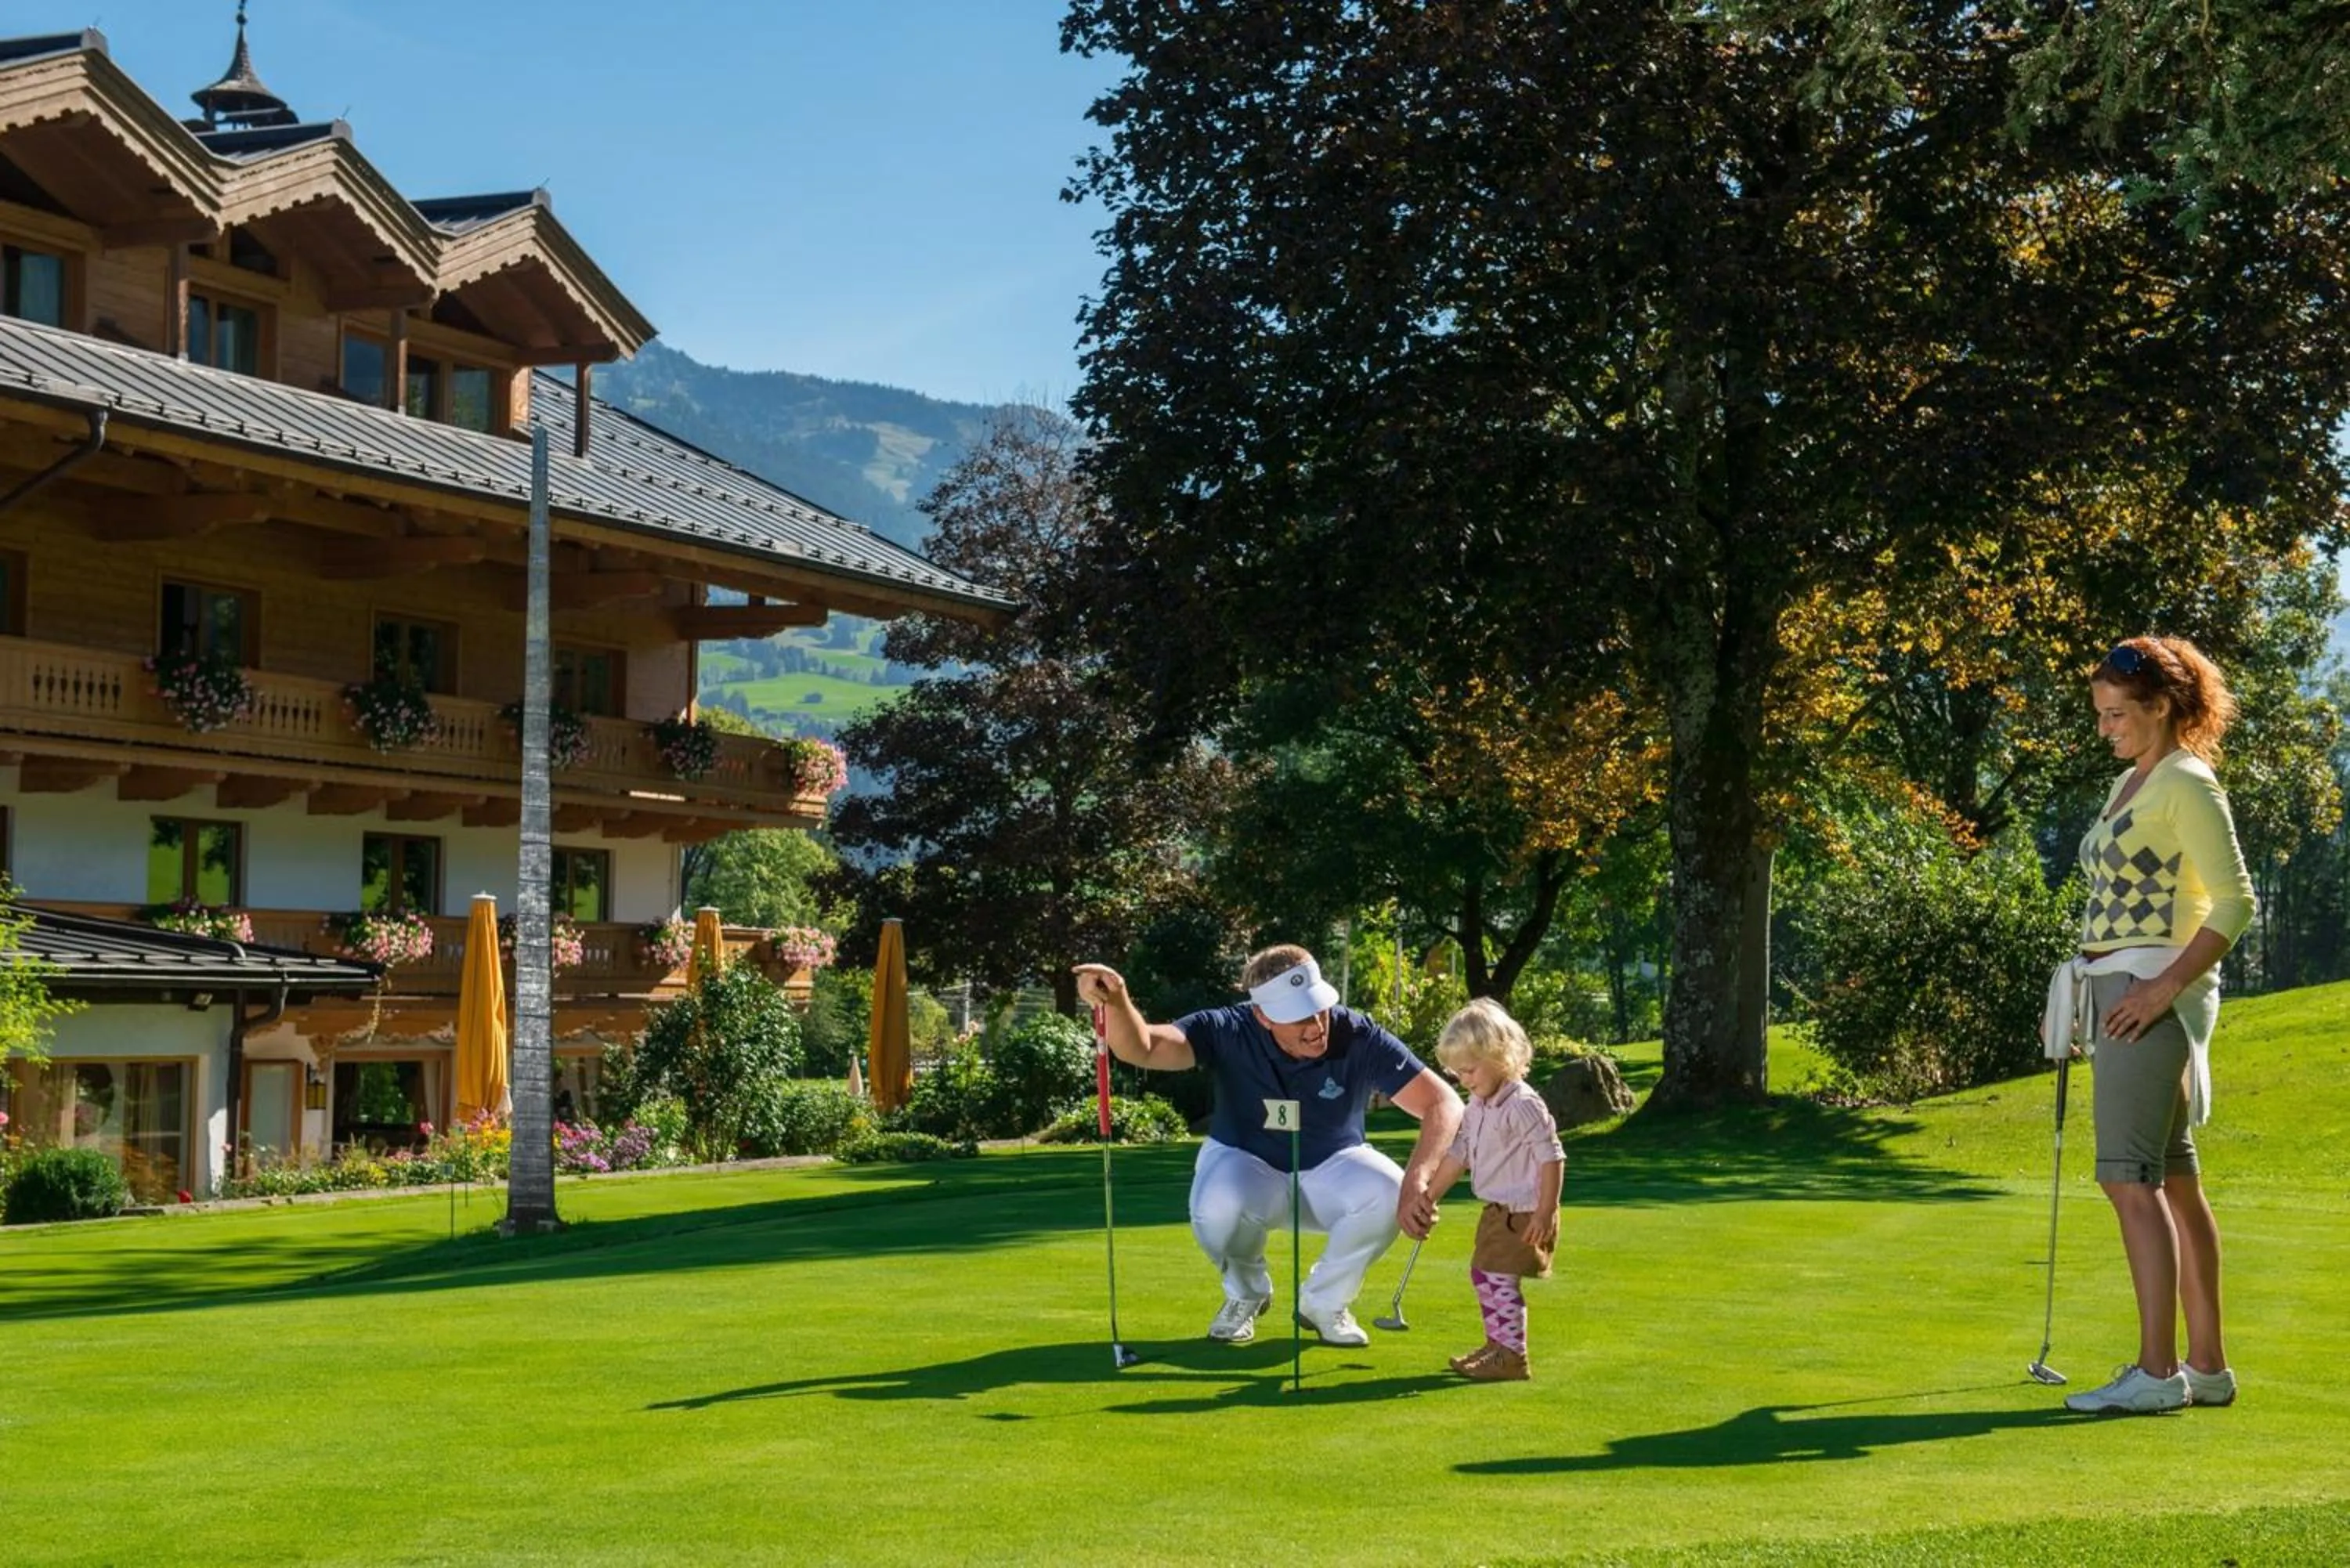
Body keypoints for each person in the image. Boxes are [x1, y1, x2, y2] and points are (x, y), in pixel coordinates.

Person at [2044, 636, 2253, 1415]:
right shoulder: (2133, 782)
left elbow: (2235, 902)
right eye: (2099, 714)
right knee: (2173, 1175)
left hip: (2149, 990)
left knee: (2125, 1176)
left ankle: (2157, 1372)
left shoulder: (2186, 784)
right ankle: (2205, 1366)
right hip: (2122, 985)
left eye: (2118, 713)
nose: (2106, 727)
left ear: (2162, 707)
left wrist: (2162, 987)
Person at [1073, 945, 1463, 1347]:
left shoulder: (1358, 1034)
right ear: (1262, 1015)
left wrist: (1418, 1180)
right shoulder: (1226, 1028)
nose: (1316, 1026)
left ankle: (1325, 1303)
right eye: (1297, 1017)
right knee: (1220, 1205)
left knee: (1388, 1189)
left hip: (1333, 1166)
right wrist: (1117, 1002)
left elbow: (1443, 1103)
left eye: (1320, 1009)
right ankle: (1246, 1293)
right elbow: (1145, 1048)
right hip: (1246, 1163)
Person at [1421, 998, 1564, 1382]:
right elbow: (1459, 1153)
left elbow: (1551, 1157)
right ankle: (1498, 1346)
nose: (1465, 1080)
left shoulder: (1522, 1104)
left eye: (1470, 1070)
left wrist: (1546, 1211)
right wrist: (1429, 1194)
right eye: (1457, 1074)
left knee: (1499, 1279)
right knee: (1485, 1275)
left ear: (1500, 1056)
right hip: (1496, 1210)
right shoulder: (1479, 1104)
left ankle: (1512, 1357)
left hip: (1524, 1210)